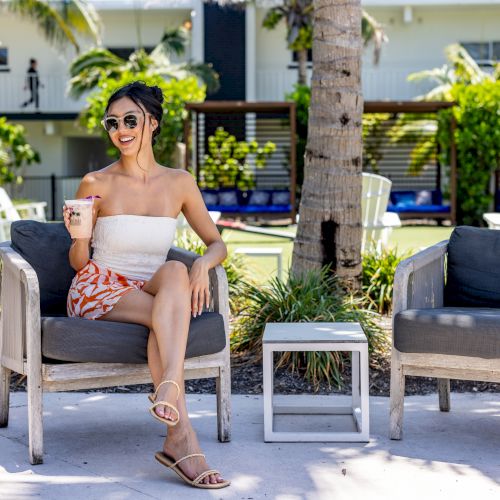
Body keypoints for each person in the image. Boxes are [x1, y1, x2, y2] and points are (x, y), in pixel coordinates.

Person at [62, 81, 230, 489]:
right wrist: (79, 236)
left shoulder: (179, 183)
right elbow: (79, 264)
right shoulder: (94, 182)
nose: (121, 129)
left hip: (154, 285)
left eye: (131, 120)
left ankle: (172, 407)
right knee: (165, 314)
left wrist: (203, 266)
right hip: (98, 286)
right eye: (113, 122)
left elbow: (216, 243)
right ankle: (181, 435)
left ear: (151, 123)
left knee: (175, 270)